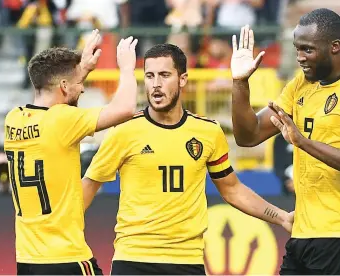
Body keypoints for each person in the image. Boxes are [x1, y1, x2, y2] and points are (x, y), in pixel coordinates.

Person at [82, 43, 295, 275]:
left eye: (164, 75)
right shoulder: (123, 132)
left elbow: (232, 189)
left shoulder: (208, 132)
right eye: (150, 76)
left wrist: (281, 217)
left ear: (183, 79)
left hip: (186, 262)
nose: (156, 84)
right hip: (133, 260)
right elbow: (88, 187)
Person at [230, 8, 340, 275]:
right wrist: (239, 82)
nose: (300, 58)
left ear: (335, 46)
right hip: (302, 231)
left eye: (308, 50)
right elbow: (248, 136)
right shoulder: (300, 85)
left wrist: (303, 142)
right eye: (297, 49)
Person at [3, 30, 139, 275]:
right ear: (64, 86)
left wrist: (82, 70)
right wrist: (127, 68)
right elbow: (125, 108)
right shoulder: (62, 120)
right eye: (79, 83)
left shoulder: (14, 118)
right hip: (66, 258)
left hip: (28, 259)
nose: (83, 88)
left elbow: (61, 96)